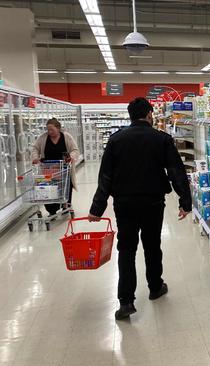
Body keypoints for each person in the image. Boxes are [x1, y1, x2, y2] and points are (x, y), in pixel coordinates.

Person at [88, 97, 191, 320]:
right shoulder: (161, 139)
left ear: (130, 115)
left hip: (124, 204)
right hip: (153, 203)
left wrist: (97, 208)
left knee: (126, 249)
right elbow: (176, 171)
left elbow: (105, 176)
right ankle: (155, 287)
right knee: (152, 245)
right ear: (149, 114)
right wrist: (185, 201)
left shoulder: (116, 140)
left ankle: (125, 302)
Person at [30, 118, 80, 216]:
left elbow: (75, 150)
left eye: (51, 129)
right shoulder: (43, 138)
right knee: (49, 189)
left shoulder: (66, 137)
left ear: (58, 128)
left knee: (66, 187)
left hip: (64, 168)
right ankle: (51, 210)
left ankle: (66, 205)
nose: (49, 132)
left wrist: (71, 157)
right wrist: (35, 158)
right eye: (48, 130)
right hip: (48, 169)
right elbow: (35, 148)